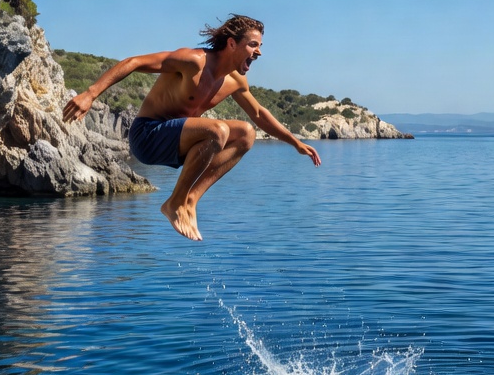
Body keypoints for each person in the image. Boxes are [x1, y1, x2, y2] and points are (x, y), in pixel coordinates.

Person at [62, 15, 322, 241]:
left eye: (260, 46)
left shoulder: (236, 81)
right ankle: (174, 202)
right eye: (253, 45)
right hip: (147, 136)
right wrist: (90, 93)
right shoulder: (194, 61)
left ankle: (190, 200)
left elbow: (258, 114)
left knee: (246, 133)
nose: (259, 52)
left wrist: (295, 142)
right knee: (217, 130)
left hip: (180, 142)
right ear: (232, 44)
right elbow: (134, 62)